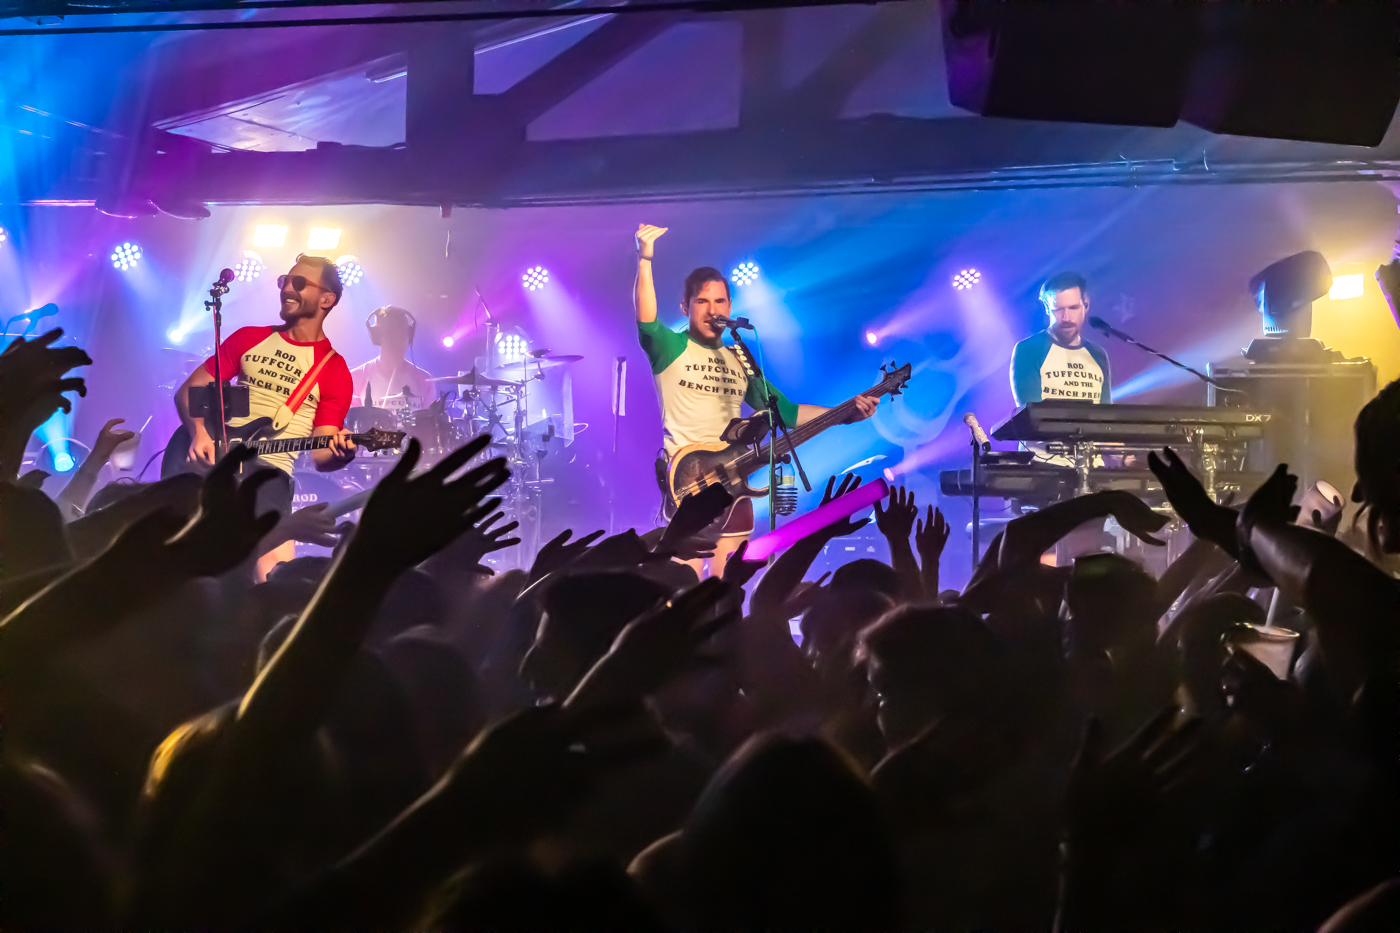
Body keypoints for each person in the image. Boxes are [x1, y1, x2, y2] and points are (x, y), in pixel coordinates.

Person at [633, 223, 878, 577]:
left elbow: (787, 412)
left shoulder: (740, 358)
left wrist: (845, 413)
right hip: (689, 482)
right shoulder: (670, 346)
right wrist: (645, 258)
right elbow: (647, 322)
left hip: (736, 483)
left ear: (730, 306)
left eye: (719, 301)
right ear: (685, 306)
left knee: (726, 585)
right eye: (702, 301)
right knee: (682, 584)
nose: (712, 309)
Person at [173, 254, 356, 578]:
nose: (287, 288)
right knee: (186, 565)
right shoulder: (249, 338)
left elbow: (320, 455)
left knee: (272, 579)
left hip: (271, 478)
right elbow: (188, 391)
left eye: (299, 283)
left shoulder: (334, 369)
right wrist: (199, 433)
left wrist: (341, 454)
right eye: (284, 280)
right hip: (214, 465)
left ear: (327, 299)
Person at [1010, 271, 1113, 407]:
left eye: (1073, 308)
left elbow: (1106, 412)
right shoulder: (1029, 350)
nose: (1066, 317)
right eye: (1058, 309)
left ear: (1086, 305)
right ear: (1047, 308)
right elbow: (1031, 413)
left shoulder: (1098, 354)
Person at [350, 306, 435, 414]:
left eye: (402, 336)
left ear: (409, 338)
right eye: (390, 336)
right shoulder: (355, 378)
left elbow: (431, 422)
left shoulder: (424, 380)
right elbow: (351, 422)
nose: (397, 342)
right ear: (377, 338)